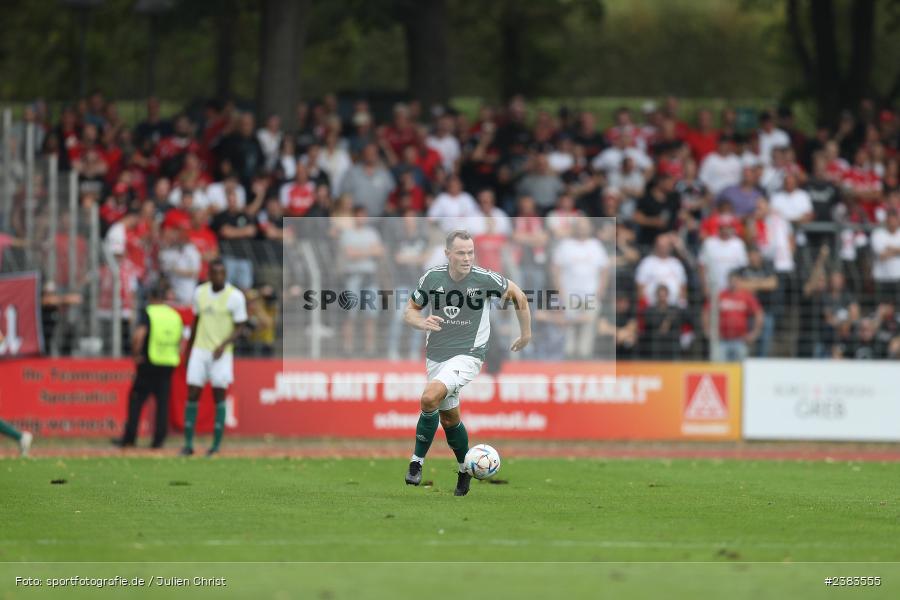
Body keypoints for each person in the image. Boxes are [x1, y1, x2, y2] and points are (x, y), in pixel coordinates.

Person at [403, 230, 531, 496]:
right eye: (460, 252)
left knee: (429, 398)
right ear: (447, 254)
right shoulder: (432, 278)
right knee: (449, 419)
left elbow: (518, 295)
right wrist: (420, 322)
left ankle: (416, 463)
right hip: (436, 355)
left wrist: (526, 333)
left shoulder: (484, 278)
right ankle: (464, 469)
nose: (466, 257)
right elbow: (410, 311)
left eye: (470, 252)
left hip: (469, 354)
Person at [181, 259, 248, 456]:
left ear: (225, 275)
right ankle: (188, 444)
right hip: (200, 350)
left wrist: (225, 344)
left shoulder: (235, 296)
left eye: (221, 273)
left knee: (219, 393)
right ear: (209, 275)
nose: (218, 276)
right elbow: (195, 321)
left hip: (221, 353)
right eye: (214, 273)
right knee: (193, 392)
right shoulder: (200, 293)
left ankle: (216, 445)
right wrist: (188, 349)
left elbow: (241, 326)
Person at [113, 284, 184, 449]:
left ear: (152, 298)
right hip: (168, 363)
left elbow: (139, 335)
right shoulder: (174, 315)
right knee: (162, 403)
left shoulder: (149, 312)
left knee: (136, 399)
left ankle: (129, 438)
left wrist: (136, 354)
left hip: (149, 362)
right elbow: (180, 340)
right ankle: (159, 440)